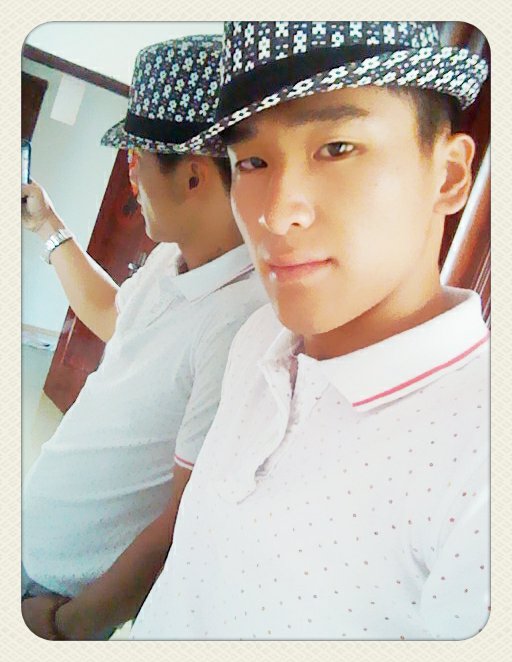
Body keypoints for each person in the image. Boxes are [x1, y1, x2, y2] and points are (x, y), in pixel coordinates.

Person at [130, 21, 490, 640]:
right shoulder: (257, 341)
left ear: (449, 175)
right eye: (252, 161)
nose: (275, 213)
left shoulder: (481, 456)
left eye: (337, 148)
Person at [21, 35, 266, 640]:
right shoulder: (171, 257)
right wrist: (48, 225)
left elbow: (184, 517)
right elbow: (113, 316)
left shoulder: (241, 322)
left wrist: (66, 628)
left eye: (137, 156)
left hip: (55, 598)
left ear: (193, 175)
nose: (130, 172)